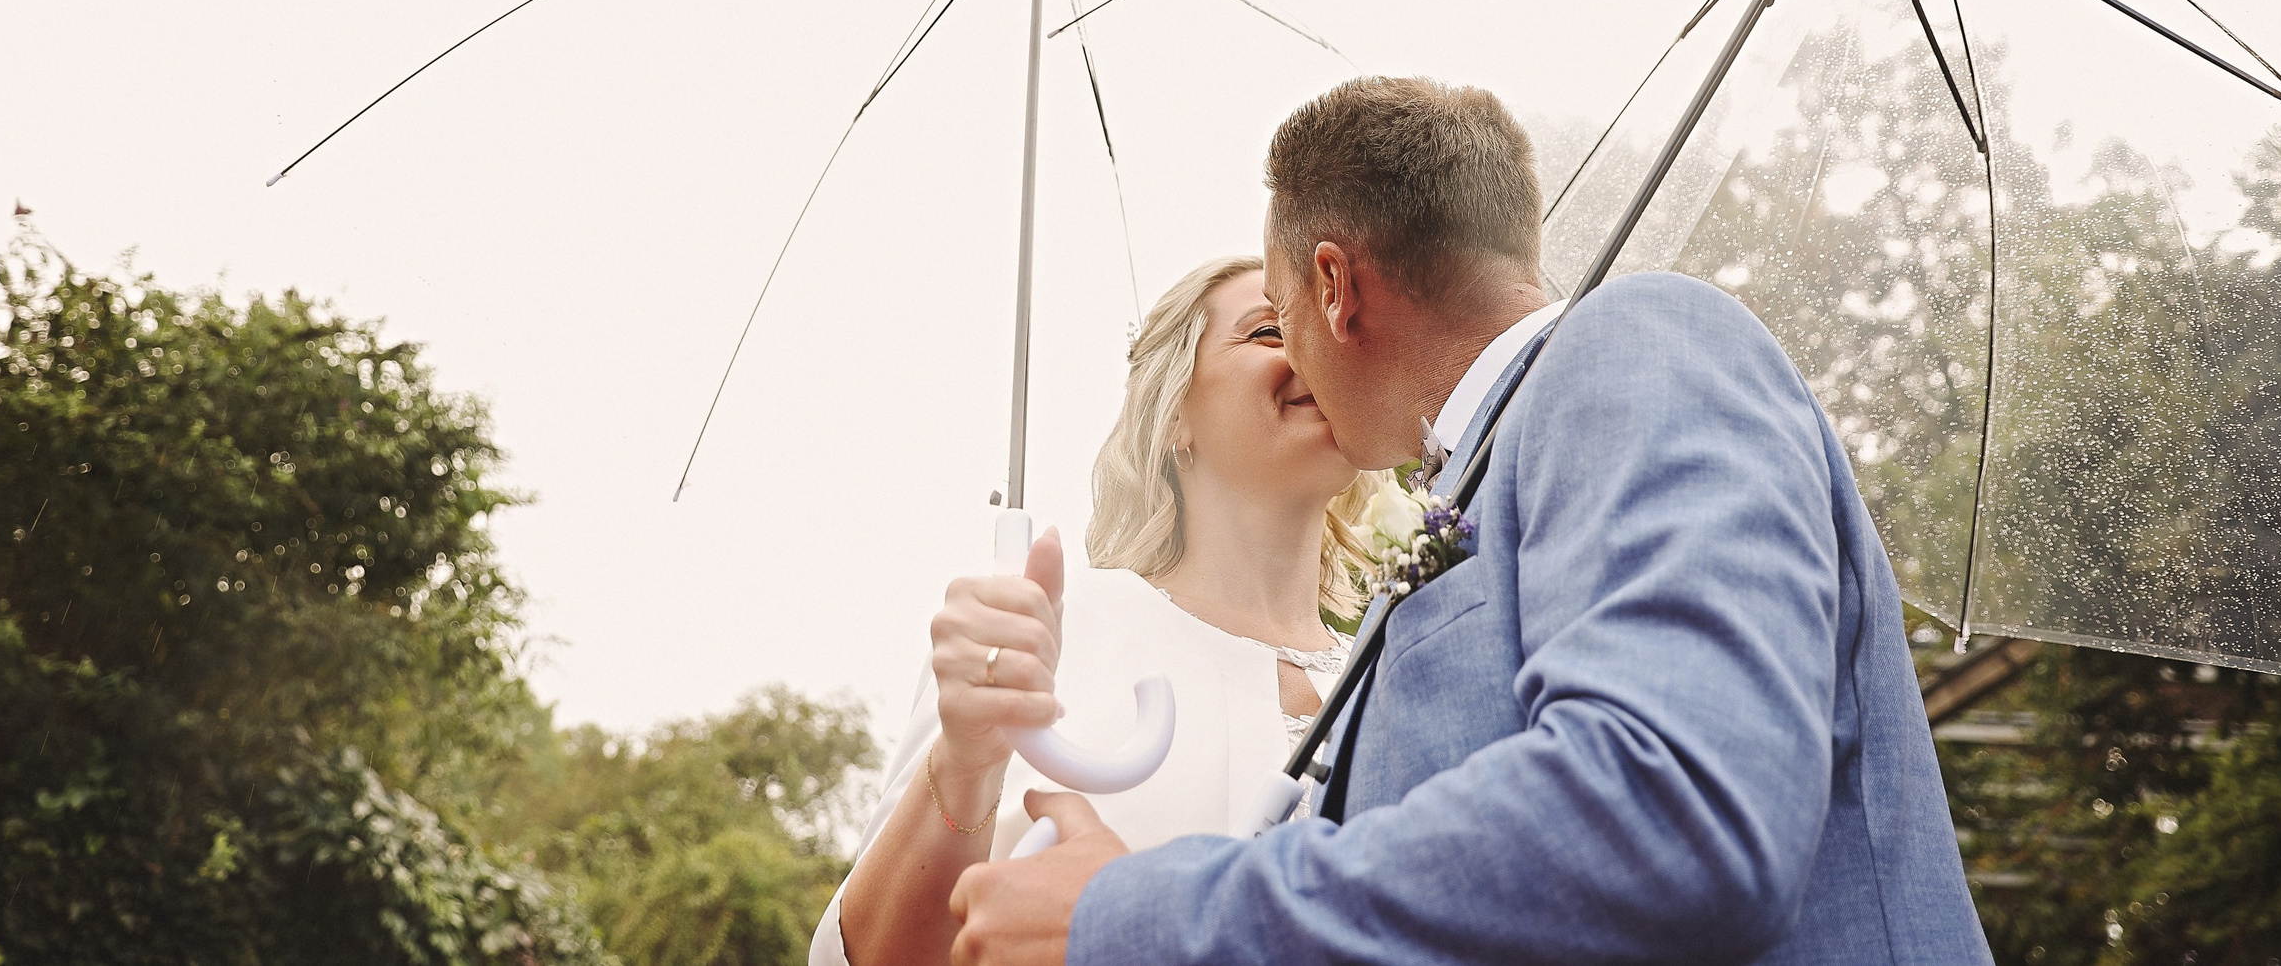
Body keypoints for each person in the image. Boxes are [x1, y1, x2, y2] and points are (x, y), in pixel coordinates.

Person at [948, 77, 1992, 965]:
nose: (1291, 360)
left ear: (1332, 287)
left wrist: (1138, 920)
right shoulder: (1475, 483)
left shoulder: (1639, 342)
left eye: (1278, 311)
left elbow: (1671, 808)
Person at [813, 256, 1391, 966]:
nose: (1314, 347)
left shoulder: (1398, 665)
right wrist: (966, 759)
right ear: (1176, 411)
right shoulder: (1048, 630)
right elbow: (874, 955)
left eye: (1330, 331)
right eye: (1271, 331)